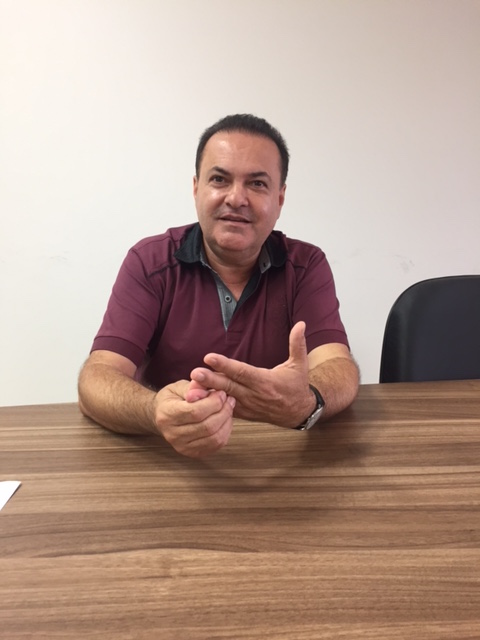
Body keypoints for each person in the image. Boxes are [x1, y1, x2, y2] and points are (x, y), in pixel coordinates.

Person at [78, 114, 359, 458]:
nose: (236, 198)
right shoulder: (149, 262)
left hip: (276, 457)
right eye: (219, 179)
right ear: (196, 188)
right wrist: (155, 411)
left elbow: (339, 367)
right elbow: (97, 377)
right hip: (170, 460)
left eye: (257, 184)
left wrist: (307, 401)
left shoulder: (306, 266)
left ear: (280, 198)